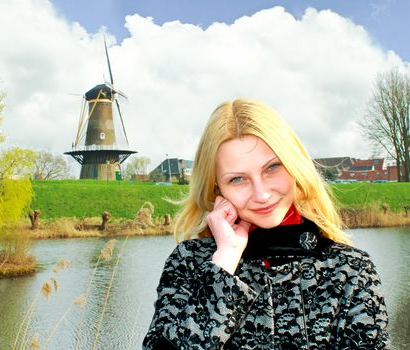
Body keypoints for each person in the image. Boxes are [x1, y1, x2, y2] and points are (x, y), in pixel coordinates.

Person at [143, 98, 390, 349]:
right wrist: (224, 264)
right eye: (237, 179)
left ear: (295, 165)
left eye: (272, 167)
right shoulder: (190, 262)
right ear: (216, 187)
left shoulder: (349, 270)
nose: (261, 194)